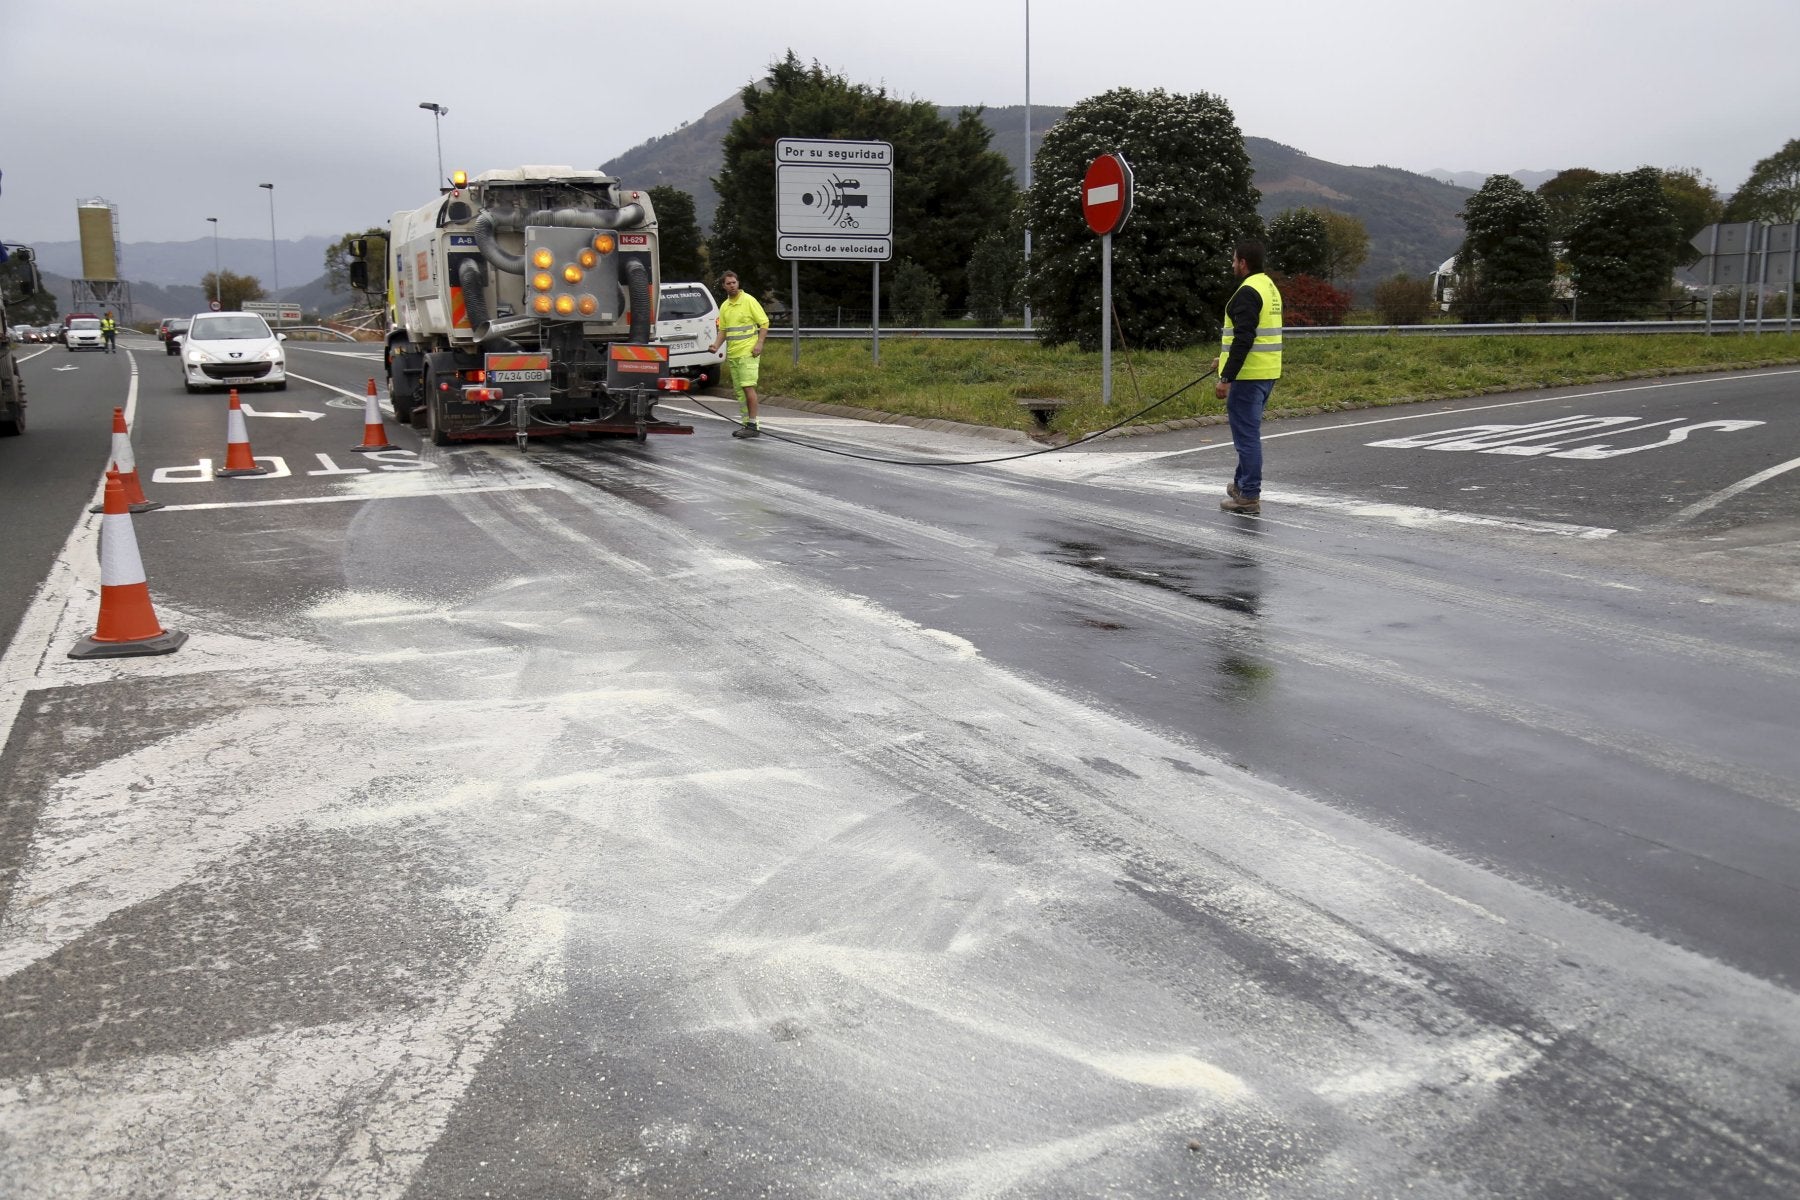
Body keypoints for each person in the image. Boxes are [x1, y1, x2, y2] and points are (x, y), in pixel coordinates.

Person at [1212, 241, 1283, 515]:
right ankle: (1242, 485)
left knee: (1247, 437)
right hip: (1267, 373)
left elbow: (1245, 337)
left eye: (1233, 260)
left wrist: (1226, 377)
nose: (1232, 265)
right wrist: (1224, 360)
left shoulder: (1247, 292)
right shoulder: (1269, 288)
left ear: (1243, 262)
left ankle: (1249, 495)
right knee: (1248, 434)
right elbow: (1256, 334)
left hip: (1248, 378)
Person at [708, 270, 770, 438]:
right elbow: (724, 330)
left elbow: (764, 322)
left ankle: (752, 423)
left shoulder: (749, 300)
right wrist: (716, 345)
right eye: (728, 283)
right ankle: (747, 425)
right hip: (734, 354)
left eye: (734, 282)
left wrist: (759, 343)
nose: (732, 285)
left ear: (738, 283)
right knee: (740, 392)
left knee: (747, 387)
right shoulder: (725, 306)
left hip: (748, 352)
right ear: (724, 286)